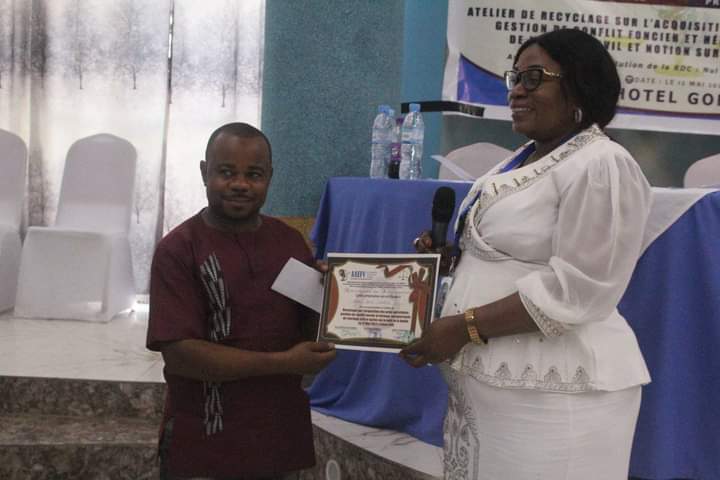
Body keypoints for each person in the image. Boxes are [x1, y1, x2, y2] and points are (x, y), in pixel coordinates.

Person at [400, 29, 651, 480]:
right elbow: (510, 250)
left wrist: (464, 326)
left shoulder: (601, 163)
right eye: (515, 77)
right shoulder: (524, 157)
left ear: (580, 86)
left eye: (534, 78)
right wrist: (456, 256)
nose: (516, 90)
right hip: (489, 389)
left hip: (558, 392)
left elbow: (579, 289)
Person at [146, 122, 336, 480]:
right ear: (204, 172)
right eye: (226, 172)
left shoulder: (289, 243)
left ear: (270, 177)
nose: (240, 184)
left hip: (278, 438)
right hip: (206, 440)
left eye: (254, 175)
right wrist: (284, 362)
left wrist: (328, 297)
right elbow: (181, 354)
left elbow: (310, 335)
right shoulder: (179, 249)